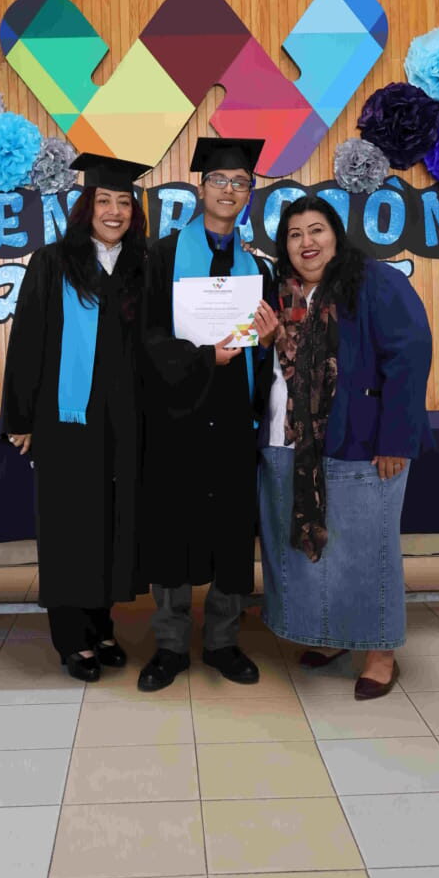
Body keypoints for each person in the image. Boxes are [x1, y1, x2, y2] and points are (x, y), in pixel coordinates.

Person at [257, 195, 433, 699]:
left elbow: (409, 356)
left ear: (336, 234)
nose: (306, 242)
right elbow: (272, 367)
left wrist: (396, 438)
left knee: (367, 552)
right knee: (308, 552)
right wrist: (266, 342)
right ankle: (333, 637)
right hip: (287, 441)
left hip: (361, 442)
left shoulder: (375, 281)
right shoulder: (281, 292)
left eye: (316, 230)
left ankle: (380, 655)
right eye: (295, 235)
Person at [0, 152, 148, 682]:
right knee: (70, 527)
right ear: (87, 207)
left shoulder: (142, 265)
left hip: (126, 419)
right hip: (67, 420)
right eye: (104, 200)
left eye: (124, 202)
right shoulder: (54, 262)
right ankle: (72, 639)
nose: (114, 211)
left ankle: (102, 626)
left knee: (112, 523)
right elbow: (27, 341)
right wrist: (20, 418)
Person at [139, 137, 275, 692]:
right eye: (220, 180)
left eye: (240, 183)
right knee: (173, 528)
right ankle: (170, 645)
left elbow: (262, 352)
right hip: (177, 415)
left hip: (235, 417)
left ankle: (223, 641)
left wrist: (267, 339)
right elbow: (146, 336)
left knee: (232, 530)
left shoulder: (258, 266)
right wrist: (201, 359)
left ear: (248, 195)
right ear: (201, 188)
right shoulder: (161, 256)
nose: (229, 190)